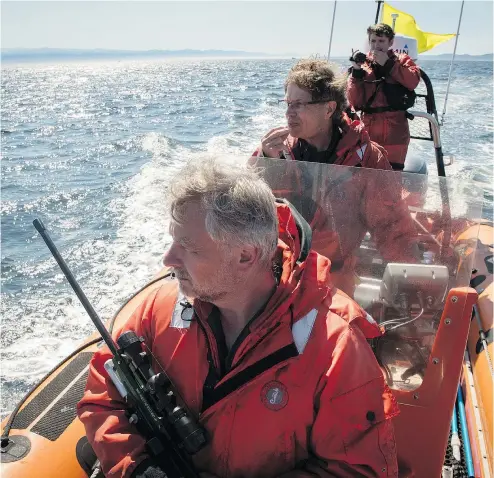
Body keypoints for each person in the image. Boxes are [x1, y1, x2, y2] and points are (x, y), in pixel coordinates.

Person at [77, 159, 399, 478]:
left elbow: (359, 469)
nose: (168, 259)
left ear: (245, 256)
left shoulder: (336, 350)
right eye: (173, 241)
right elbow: (103, 393)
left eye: (188, 248)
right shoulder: (156, 310)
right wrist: (138, 469)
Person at [252, 59, 419, 297]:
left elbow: (391, 224)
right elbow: (249, 215)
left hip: (334, 281)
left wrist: (412, 278)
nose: (289, 113)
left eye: (298, 105)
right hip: (278, 277)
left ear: (329, 109)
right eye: (288, 103)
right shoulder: (276, 152)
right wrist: (266, 163)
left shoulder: (365, 158)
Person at [347, 23, 421, 170]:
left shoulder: (402, 60)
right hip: (368, 133)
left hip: (396, 134)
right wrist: (355, 71)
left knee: (392, 177)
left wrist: (388, 64)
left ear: (390, 42)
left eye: (381, 41)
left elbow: (413, 81)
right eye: (373, 41)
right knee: (365, 176)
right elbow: (354, 101)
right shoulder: (363, 64)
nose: (377, 45)